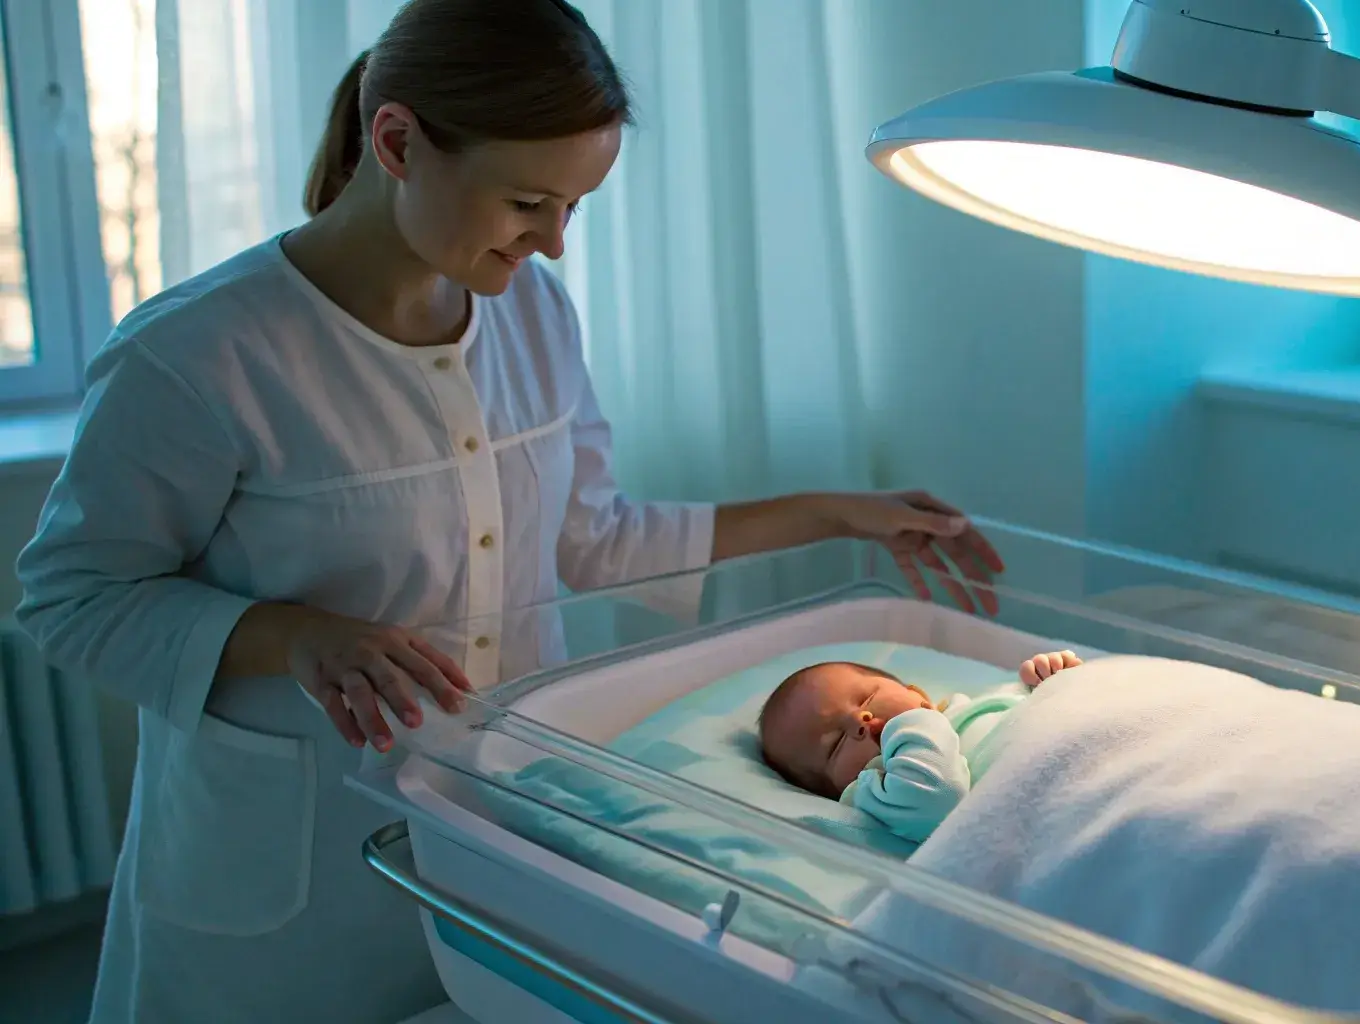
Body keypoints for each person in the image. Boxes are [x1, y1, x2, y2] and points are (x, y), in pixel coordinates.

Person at [11, 1, 1003, 1020]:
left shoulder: (530, 313)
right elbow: (70, 596)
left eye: (573, 208)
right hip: (285, 873)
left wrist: (842, 512)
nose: (555, 244)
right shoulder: (197, 355)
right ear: (395, 141)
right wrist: (297, 636)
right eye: (529, 202)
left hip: (497, 831)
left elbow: (594, 536)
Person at [758, 651, 1083, 841]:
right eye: (835, 743)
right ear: (833, 788)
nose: (860, 719)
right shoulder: (883, 791)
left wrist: (1052, 675)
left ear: (917, 692)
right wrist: (911, 720)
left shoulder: (976, 703)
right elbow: (938, 797)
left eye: (865, 698)